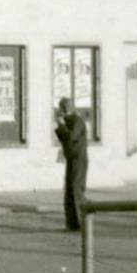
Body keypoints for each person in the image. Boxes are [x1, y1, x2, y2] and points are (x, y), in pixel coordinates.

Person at [54, 98, 89, 232]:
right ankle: (71, 223)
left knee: (75, 188)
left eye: (63, 108)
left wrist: (61, 125)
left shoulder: (78, 121)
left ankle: (81, 222)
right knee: (69, 189)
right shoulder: (70, 120)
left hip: (78, 159)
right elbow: (64, 139)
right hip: (71, 158)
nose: (61, 111)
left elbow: (71, 137)